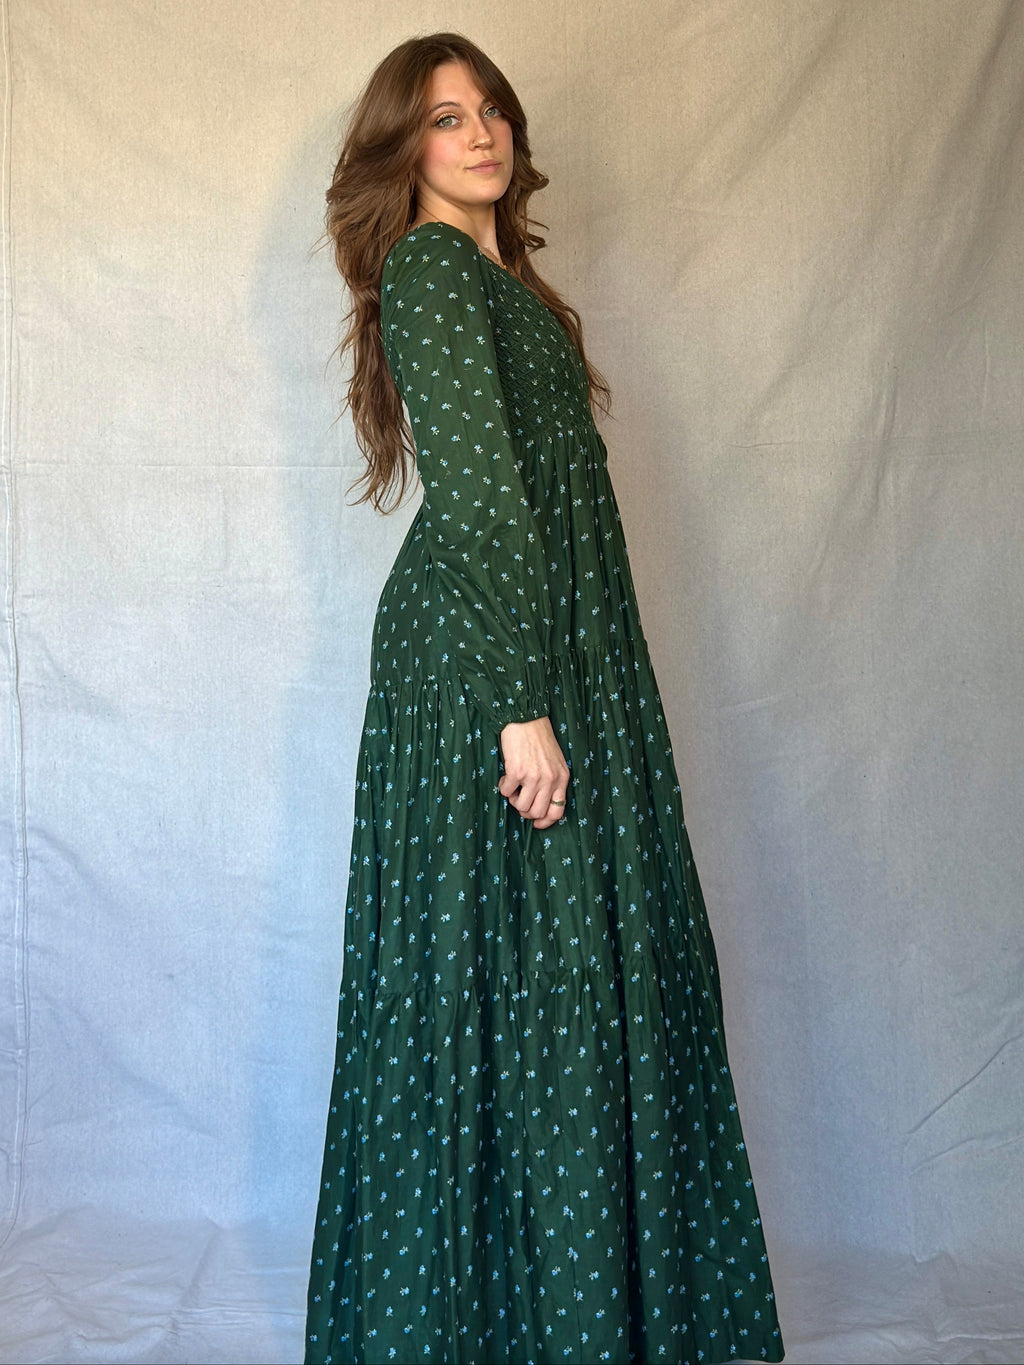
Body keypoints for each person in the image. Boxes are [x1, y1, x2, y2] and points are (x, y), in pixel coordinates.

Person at [305, 32, 784, 1365]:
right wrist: (521, 698)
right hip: (489, 663)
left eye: (491, 110)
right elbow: (475, 492)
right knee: (510, 970)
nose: (479, 132)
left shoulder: (507, 280)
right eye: (445, 117)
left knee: (555, 966)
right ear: (404, 150)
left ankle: (562, 1317)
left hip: (558, 646)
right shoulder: (431, 266)